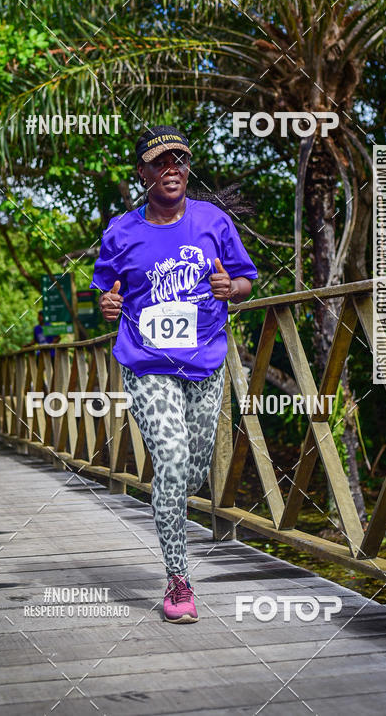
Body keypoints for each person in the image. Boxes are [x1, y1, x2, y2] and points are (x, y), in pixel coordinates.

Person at [90, 125, 257, 623]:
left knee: (196, 466)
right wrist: (108, 304)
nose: (172, 170)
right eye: (160, 163)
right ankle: (179, 580)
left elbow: (245, 280)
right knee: (171, 454)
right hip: (147, 364)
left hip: (204, 363)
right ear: (142, 173)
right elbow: (105, 297)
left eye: (180, 161)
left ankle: (168, 510)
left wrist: (234, 289)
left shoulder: (214, 222)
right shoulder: (121, 232)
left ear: (187, 170)